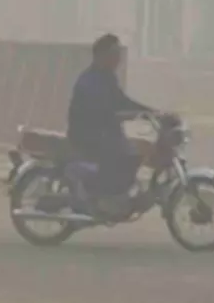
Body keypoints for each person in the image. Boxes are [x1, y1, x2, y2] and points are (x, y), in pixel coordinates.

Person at [66, 34, 155, 215]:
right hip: (88, 135)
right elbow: (105, 110)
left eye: (119, 53)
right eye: (114, 54)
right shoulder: (89, 81)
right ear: (101, 55)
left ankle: (120, 194)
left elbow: (121, 101)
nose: (118, 59)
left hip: (103, 132)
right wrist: (125, 115)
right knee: (126, 154)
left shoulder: (107, 78)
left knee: (135, 151)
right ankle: (104, 198)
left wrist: (150, 112)